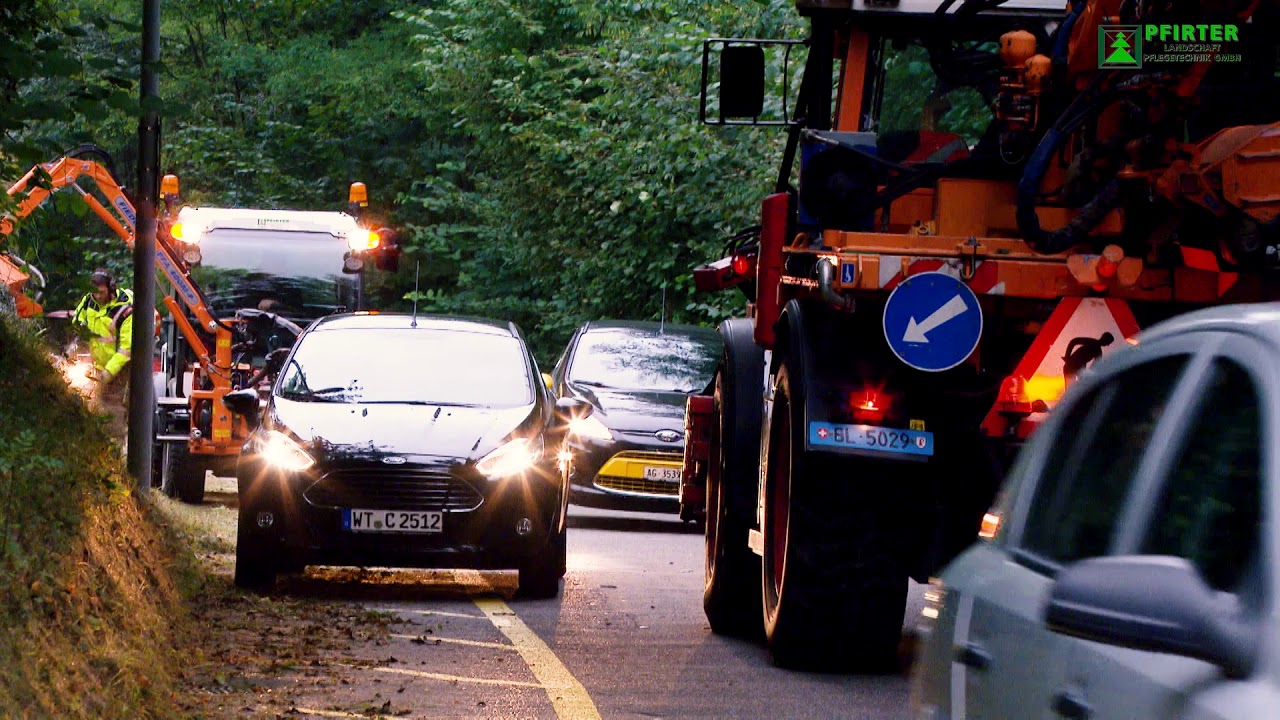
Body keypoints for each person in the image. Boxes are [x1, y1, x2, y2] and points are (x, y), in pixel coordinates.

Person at [71, 268, 134, 420]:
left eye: (101, 292)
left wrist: (107, 373)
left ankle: (118, 433)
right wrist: (80, 329)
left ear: (111, 288)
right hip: (96, 365)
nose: (97, 296)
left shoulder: (125, 311)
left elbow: (125, 350)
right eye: (94, 292)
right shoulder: (89, 301)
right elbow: (77, 320)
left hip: (119, 370)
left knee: (112, 409)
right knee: (91, 405)